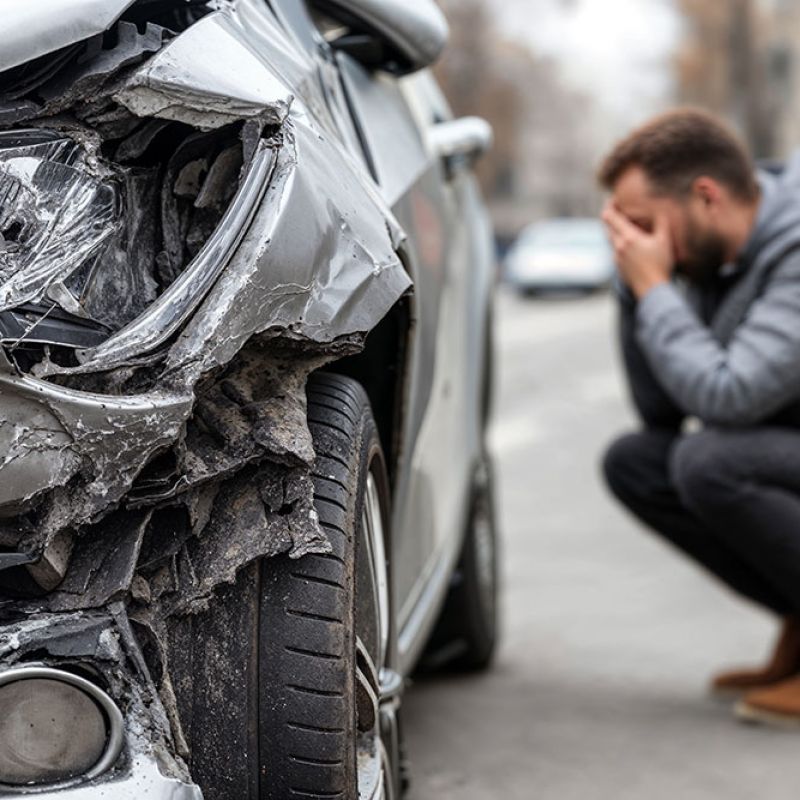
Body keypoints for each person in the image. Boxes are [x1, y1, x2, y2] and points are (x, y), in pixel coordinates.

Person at [599, 108, 800, 727]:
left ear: (706, 196)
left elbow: (728, 395)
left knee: (711, 463)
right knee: (638, 462)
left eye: (645, 226)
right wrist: (634, 290)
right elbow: (660, 411)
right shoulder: (710, 256)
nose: (638, 245)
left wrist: (656, 290)